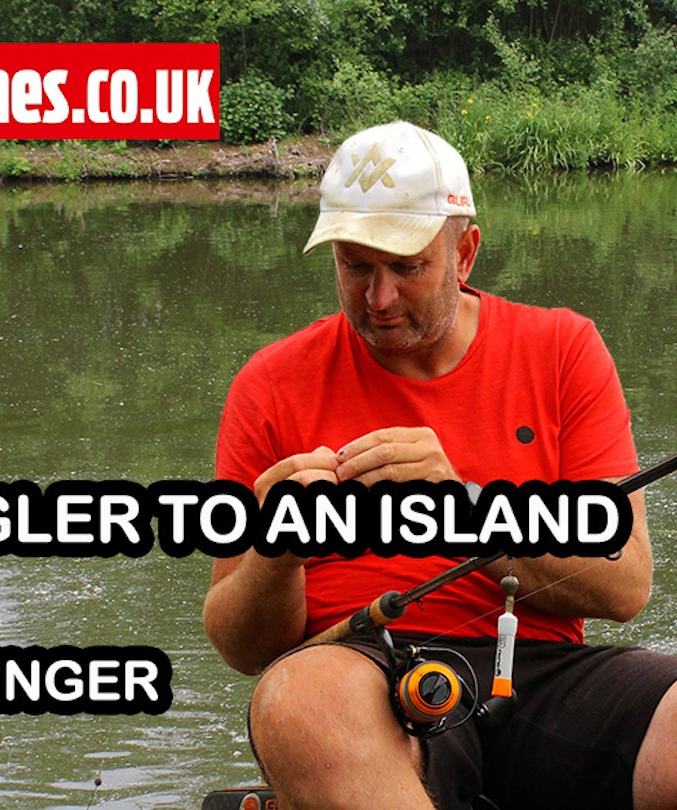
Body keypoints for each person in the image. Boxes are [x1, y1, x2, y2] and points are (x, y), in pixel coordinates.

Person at [203, 120, 677, 809]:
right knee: (299, 699)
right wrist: (276, 555)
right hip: (358, 677)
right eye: (355, 267)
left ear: (465, 253)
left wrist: (464, 509)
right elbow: (242, 647)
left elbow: (625, 585)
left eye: (407, 268)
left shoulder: (563, 349)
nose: (379, 298)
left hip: (542, 670)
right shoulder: (270, 384)